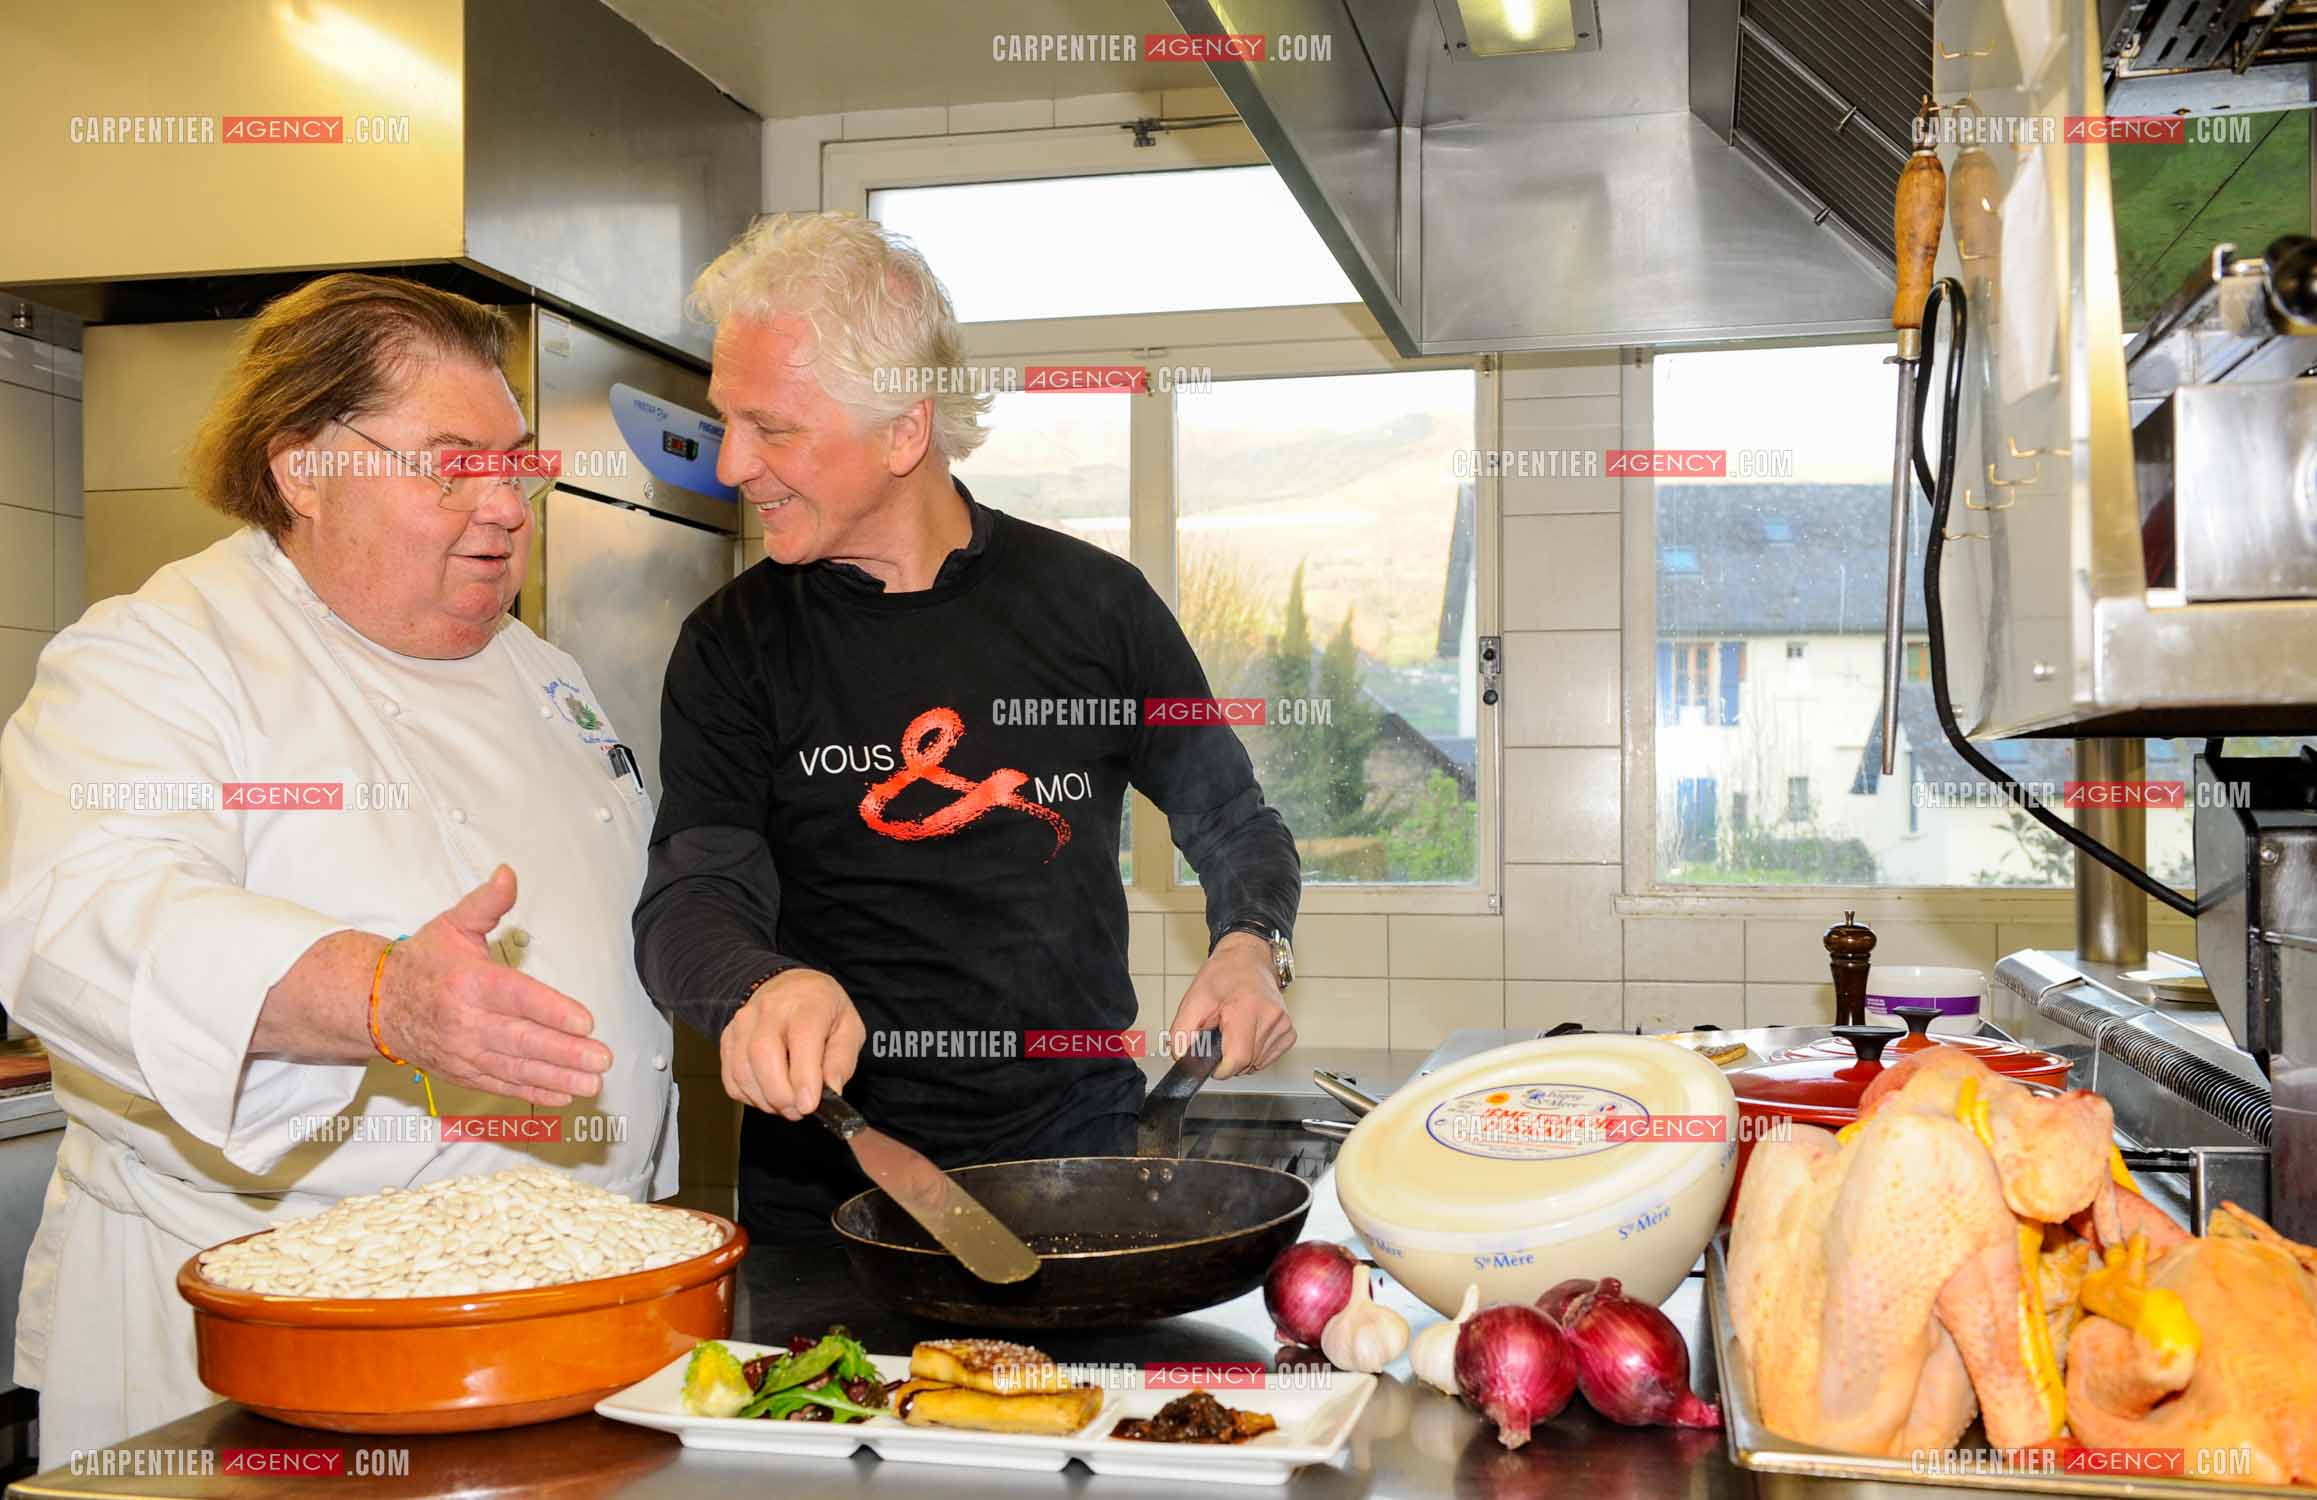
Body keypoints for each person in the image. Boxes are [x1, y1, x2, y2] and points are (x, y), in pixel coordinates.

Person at [0, 274, 677, 1455]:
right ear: (301, 469)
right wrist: (380, 996)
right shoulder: (162, 657)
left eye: (516, 461)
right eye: (450, 462)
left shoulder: (543, 672)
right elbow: (81, 920)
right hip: (279, 1337)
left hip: (566, 1307)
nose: (508, 504)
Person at [632, 213, 1302, 1246]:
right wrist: (759, 983)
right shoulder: (734, 644)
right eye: (727, 421)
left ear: (905, 431)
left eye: (774, 428)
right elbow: (689, 897)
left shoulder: (1093, 609)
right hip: (831, 1183)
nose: (730, 466)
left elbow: (1235, 820)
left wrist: (1251, 947)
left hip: (1075, 1167)